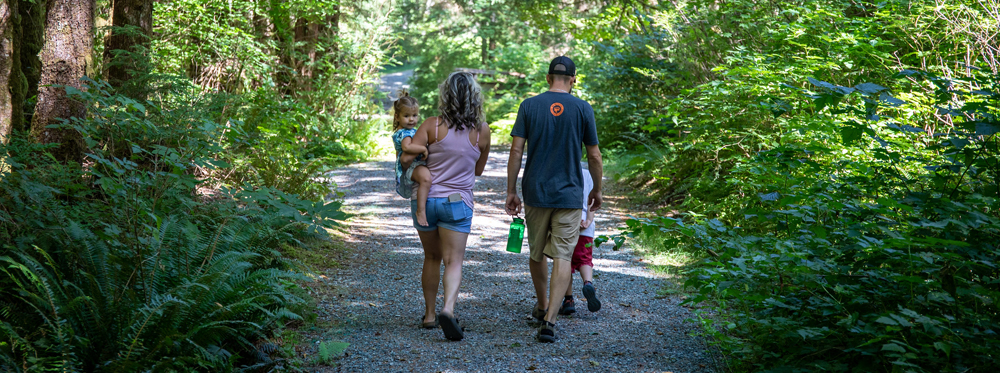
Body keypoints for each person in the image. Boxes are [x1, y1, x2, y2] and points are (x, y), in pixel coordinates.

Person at [505, 56, 603, 343]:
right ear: (573, 79)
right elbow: (594, 156)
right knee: (562, 255)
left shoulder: (529, 106)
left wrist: (511, 190)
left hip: (536, 192)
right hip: (571, 194)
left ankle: (543, 304)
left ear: (548, 78)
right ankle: (550, 321)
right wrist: (596, 189)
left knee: (536, 253)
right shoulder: (583, 108)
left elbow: (515, 152)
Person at [404, 72, 491, 341]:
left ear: (446, 95)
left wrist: (426, 154)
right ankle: (448, 310)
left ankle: (430, 316)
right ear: (475, 98)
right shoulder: (482, 131)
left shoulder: (431, 125)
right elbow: (478, 171)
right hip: (458, 203)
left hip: (427, 201)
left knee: (431, 258)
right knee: (454, 261)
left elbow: (406, 159)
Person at [558, 162, 602, 315]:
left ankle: (568, 300)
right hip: (586, 225)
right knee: (584, 259)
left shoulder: (564, 169)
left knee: (565, 261)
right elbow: (592, 200)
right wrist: (588, 220)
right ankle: (588, 283)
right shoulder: (589, 173)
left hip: (568, 221)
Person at [391, 90, 432, 226]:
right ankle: (420, 211)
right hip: (411, 166)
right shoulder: (404, 133)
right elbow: (407, 148)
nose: (411, 119)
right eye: (406, 116)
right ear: (397, 117)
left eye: (414, 115)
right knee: (425, 179)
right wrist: (423, 148)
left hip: (414, 164)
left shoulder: (411, 130)